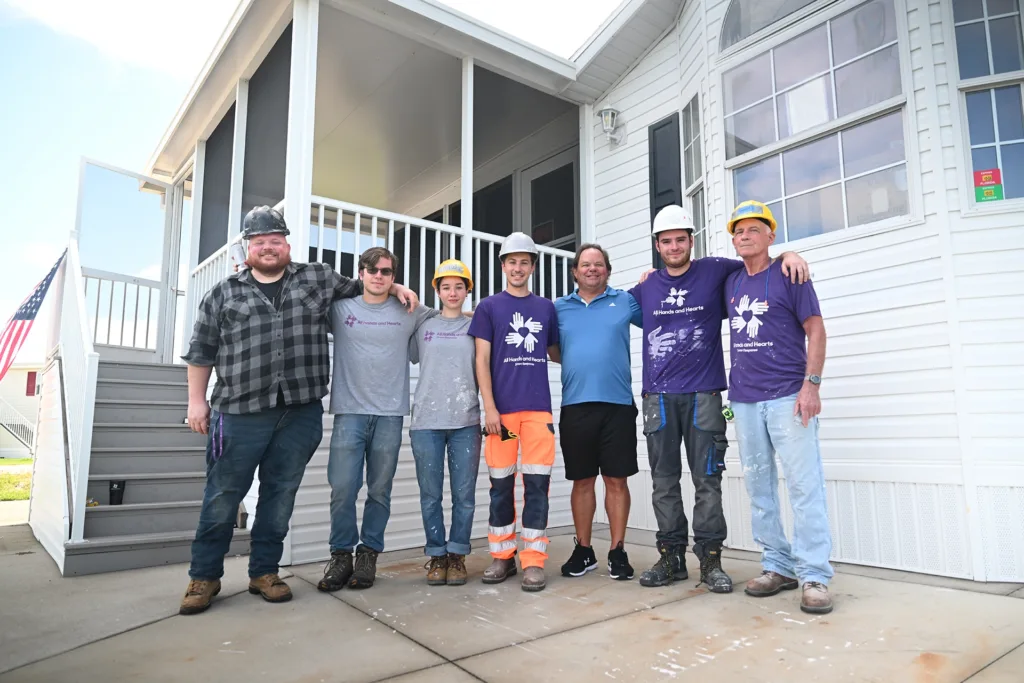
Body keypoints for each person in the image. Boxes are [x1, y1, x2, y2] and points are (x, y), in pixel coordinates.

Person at [179, 206, 417, 615]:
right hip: (238, 412)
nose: (268, 248)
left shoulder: (318, 278)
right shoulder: (223, 293)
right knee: (222, 496)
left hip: (299, 412)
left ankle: (264, 572)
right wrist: (196, 402)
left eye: (275, 240)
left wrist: (396, 288)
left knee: (280, 494)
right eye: (260, 242)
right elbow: (201, 352)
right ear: (248, 248)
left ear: (287, 244)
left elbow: (364, 288)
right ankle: (204, 577)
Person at [630, 204, 808, 593]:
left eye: (681, 239)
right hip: (657, 397)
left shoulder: (715, 271)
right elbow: (606, 312)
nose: (674, 246)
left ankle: (710, 562)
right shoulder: (644, 289)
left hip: (705, 395)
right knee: (664, 482)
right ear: (657, 246)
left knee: (708, 481)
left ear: (691, 241)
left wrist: (788, 255)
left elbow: (757, 261)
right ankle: (670, 558)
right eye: (666, 241)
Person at [724, 201, 834, 614]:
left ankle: (815, 575)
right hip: (745, 400)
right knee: (759, 487)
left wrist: (812, 385)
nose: (745, 236)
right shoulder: (730, 282)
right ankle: (777, 565)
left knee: (805, 486)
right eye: (739, 231)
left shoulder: (791, 274)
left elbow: (816, 329)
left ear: (772, 235)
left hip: (789, 395)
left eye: (755, 229)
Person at [317, 247, 437, 591]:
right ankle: (341, 555)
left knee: (379, 490)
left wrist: (404, 291)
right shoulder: (340, 309)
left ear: (393, 276)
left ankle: (368, 553)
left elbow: (449, 315)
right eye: (372, 270)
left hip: (389, 414)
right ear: (361, 273)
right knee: (343, 488)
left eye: (386, 272)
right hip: (349, 413)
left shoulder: (410, 310)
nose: (379, 276)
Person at [469, 232, 559, 592]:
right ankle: (502, 557)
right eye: (512, 262)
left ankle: (534, 561)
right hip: (502, 417)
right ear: (503, 266)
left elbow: (556, 352)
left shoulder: (546, 308)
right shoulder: (489, 307)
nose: (518, 268)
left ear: (532, 267)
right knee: (501, 486)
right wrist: (488, 407)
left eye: (524, 262)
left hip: (538, 413)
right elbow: (482, 359)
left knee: (537, 485)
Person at [551, 244, 641, 581]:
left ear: (608, 270)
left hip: (617, 405)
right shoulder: (558, 307)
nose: (592, 269)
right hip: (576, 406)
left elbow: (664, 314)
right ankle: (584, 551)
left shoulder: (626, 301)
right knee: (582, 480)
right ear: (575, 271)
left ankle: (618, 551)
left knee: (617, 479)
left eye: (598, 264)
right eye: (585, 265)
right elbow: (550, 347)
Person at [407, 259, 482, 586]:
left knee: (464, 494)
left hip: (466, 420)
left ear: (468, 291)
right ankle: (437, 555)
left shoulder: (478, 325)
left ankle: (457, 555)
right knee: (430, 494)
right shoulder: (422, 325)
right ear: (436, 290)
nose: (453, 292)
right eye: (446, 286)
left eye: (459, 286)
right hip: (426, 420)